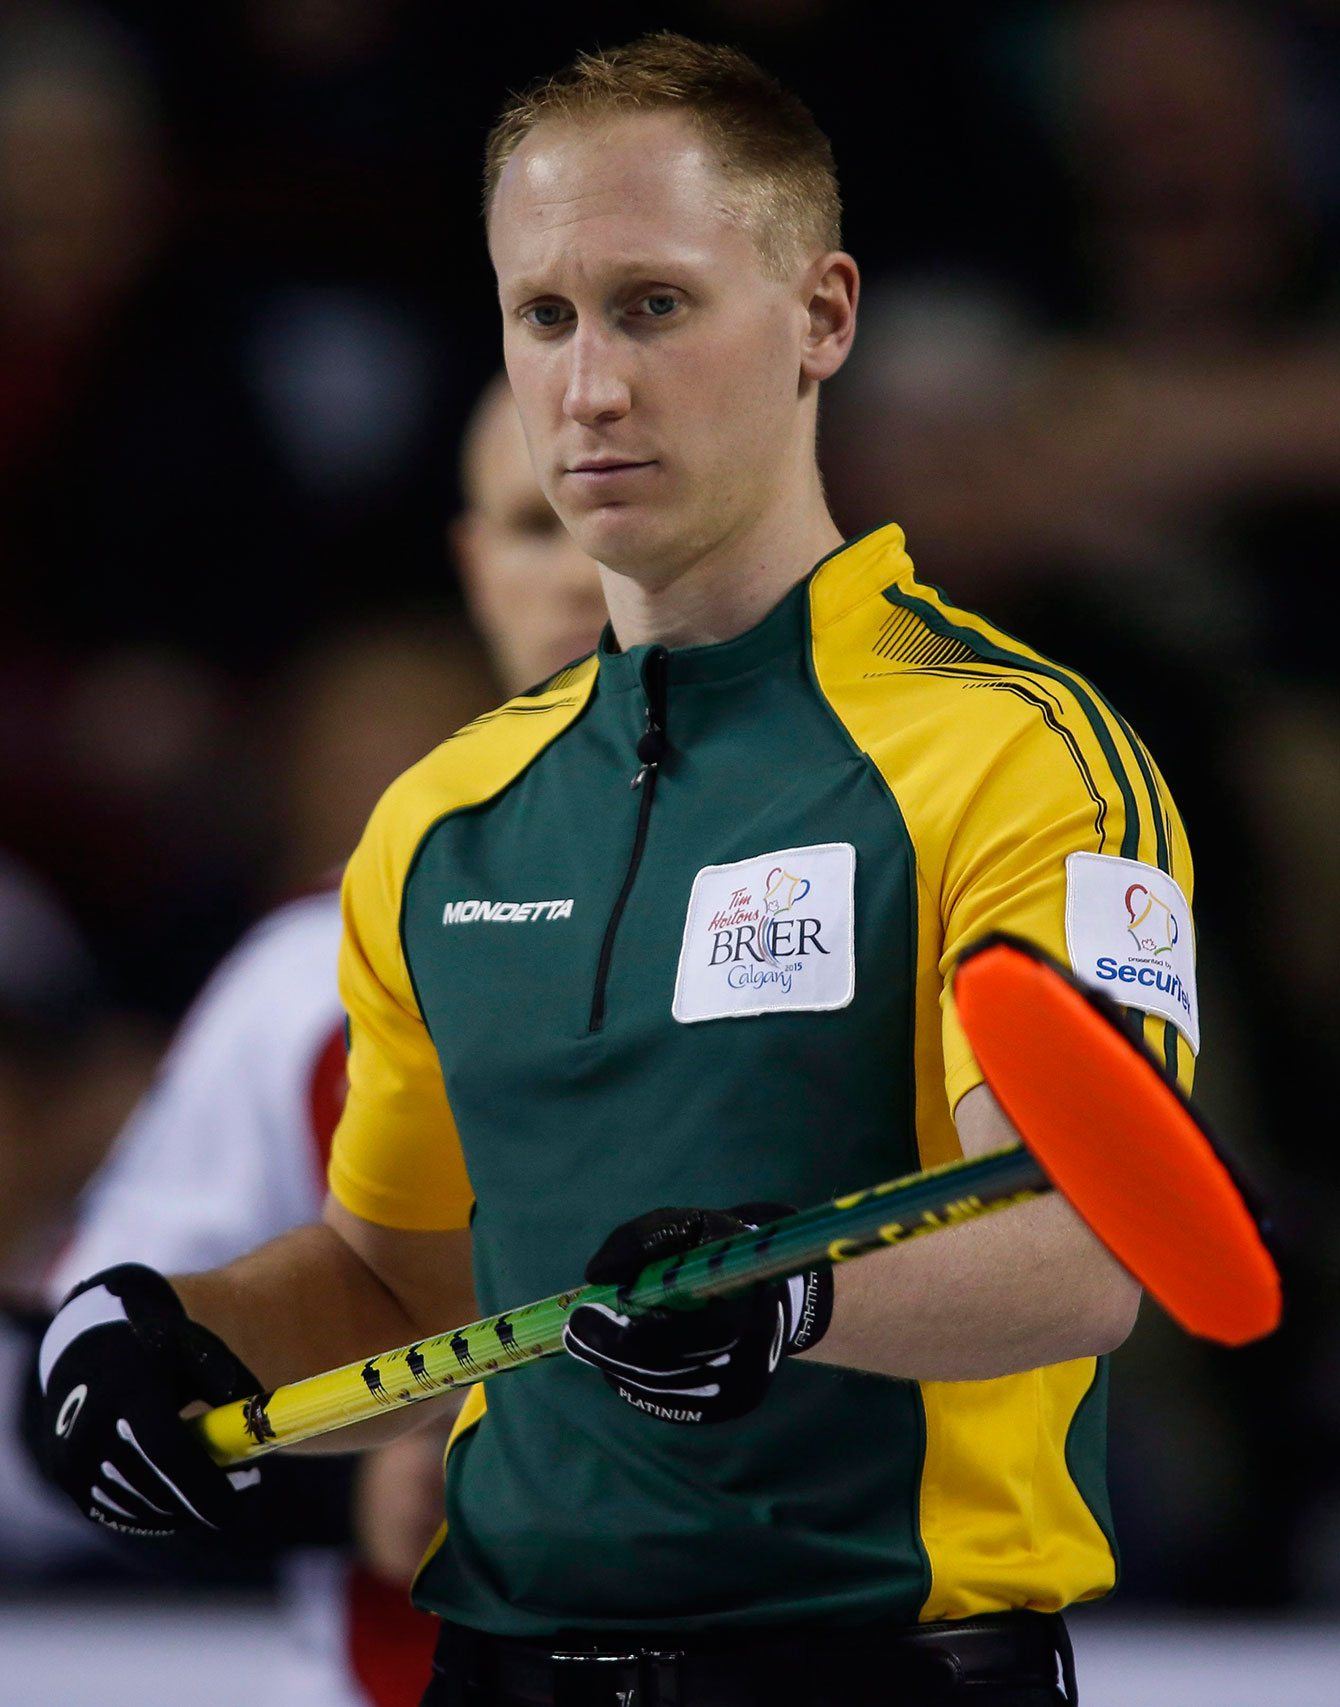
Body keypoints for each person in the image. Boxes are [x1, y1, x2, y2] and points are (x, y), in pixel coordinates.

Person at [33, 35, 1200, 1707]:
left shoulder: (1017, 752)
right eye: (544, 316)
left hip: (877, 1673)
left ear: (823, 317)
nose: (589, 387)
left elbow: (1091, 1250)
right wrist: (167, 1332)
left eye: (654, 306)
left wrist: (791, 1296)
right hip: (497, 1671)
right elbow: (400, 1279)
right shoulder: (442, 816)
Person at [24, 377, 604, 1705]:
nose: (582, 576)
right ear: (474, 566)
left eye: (624, 518)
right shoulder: (310, 983)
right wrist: (345, 1487)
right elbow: (68, 1400)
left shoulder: (858, 907)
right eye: (535, 523)